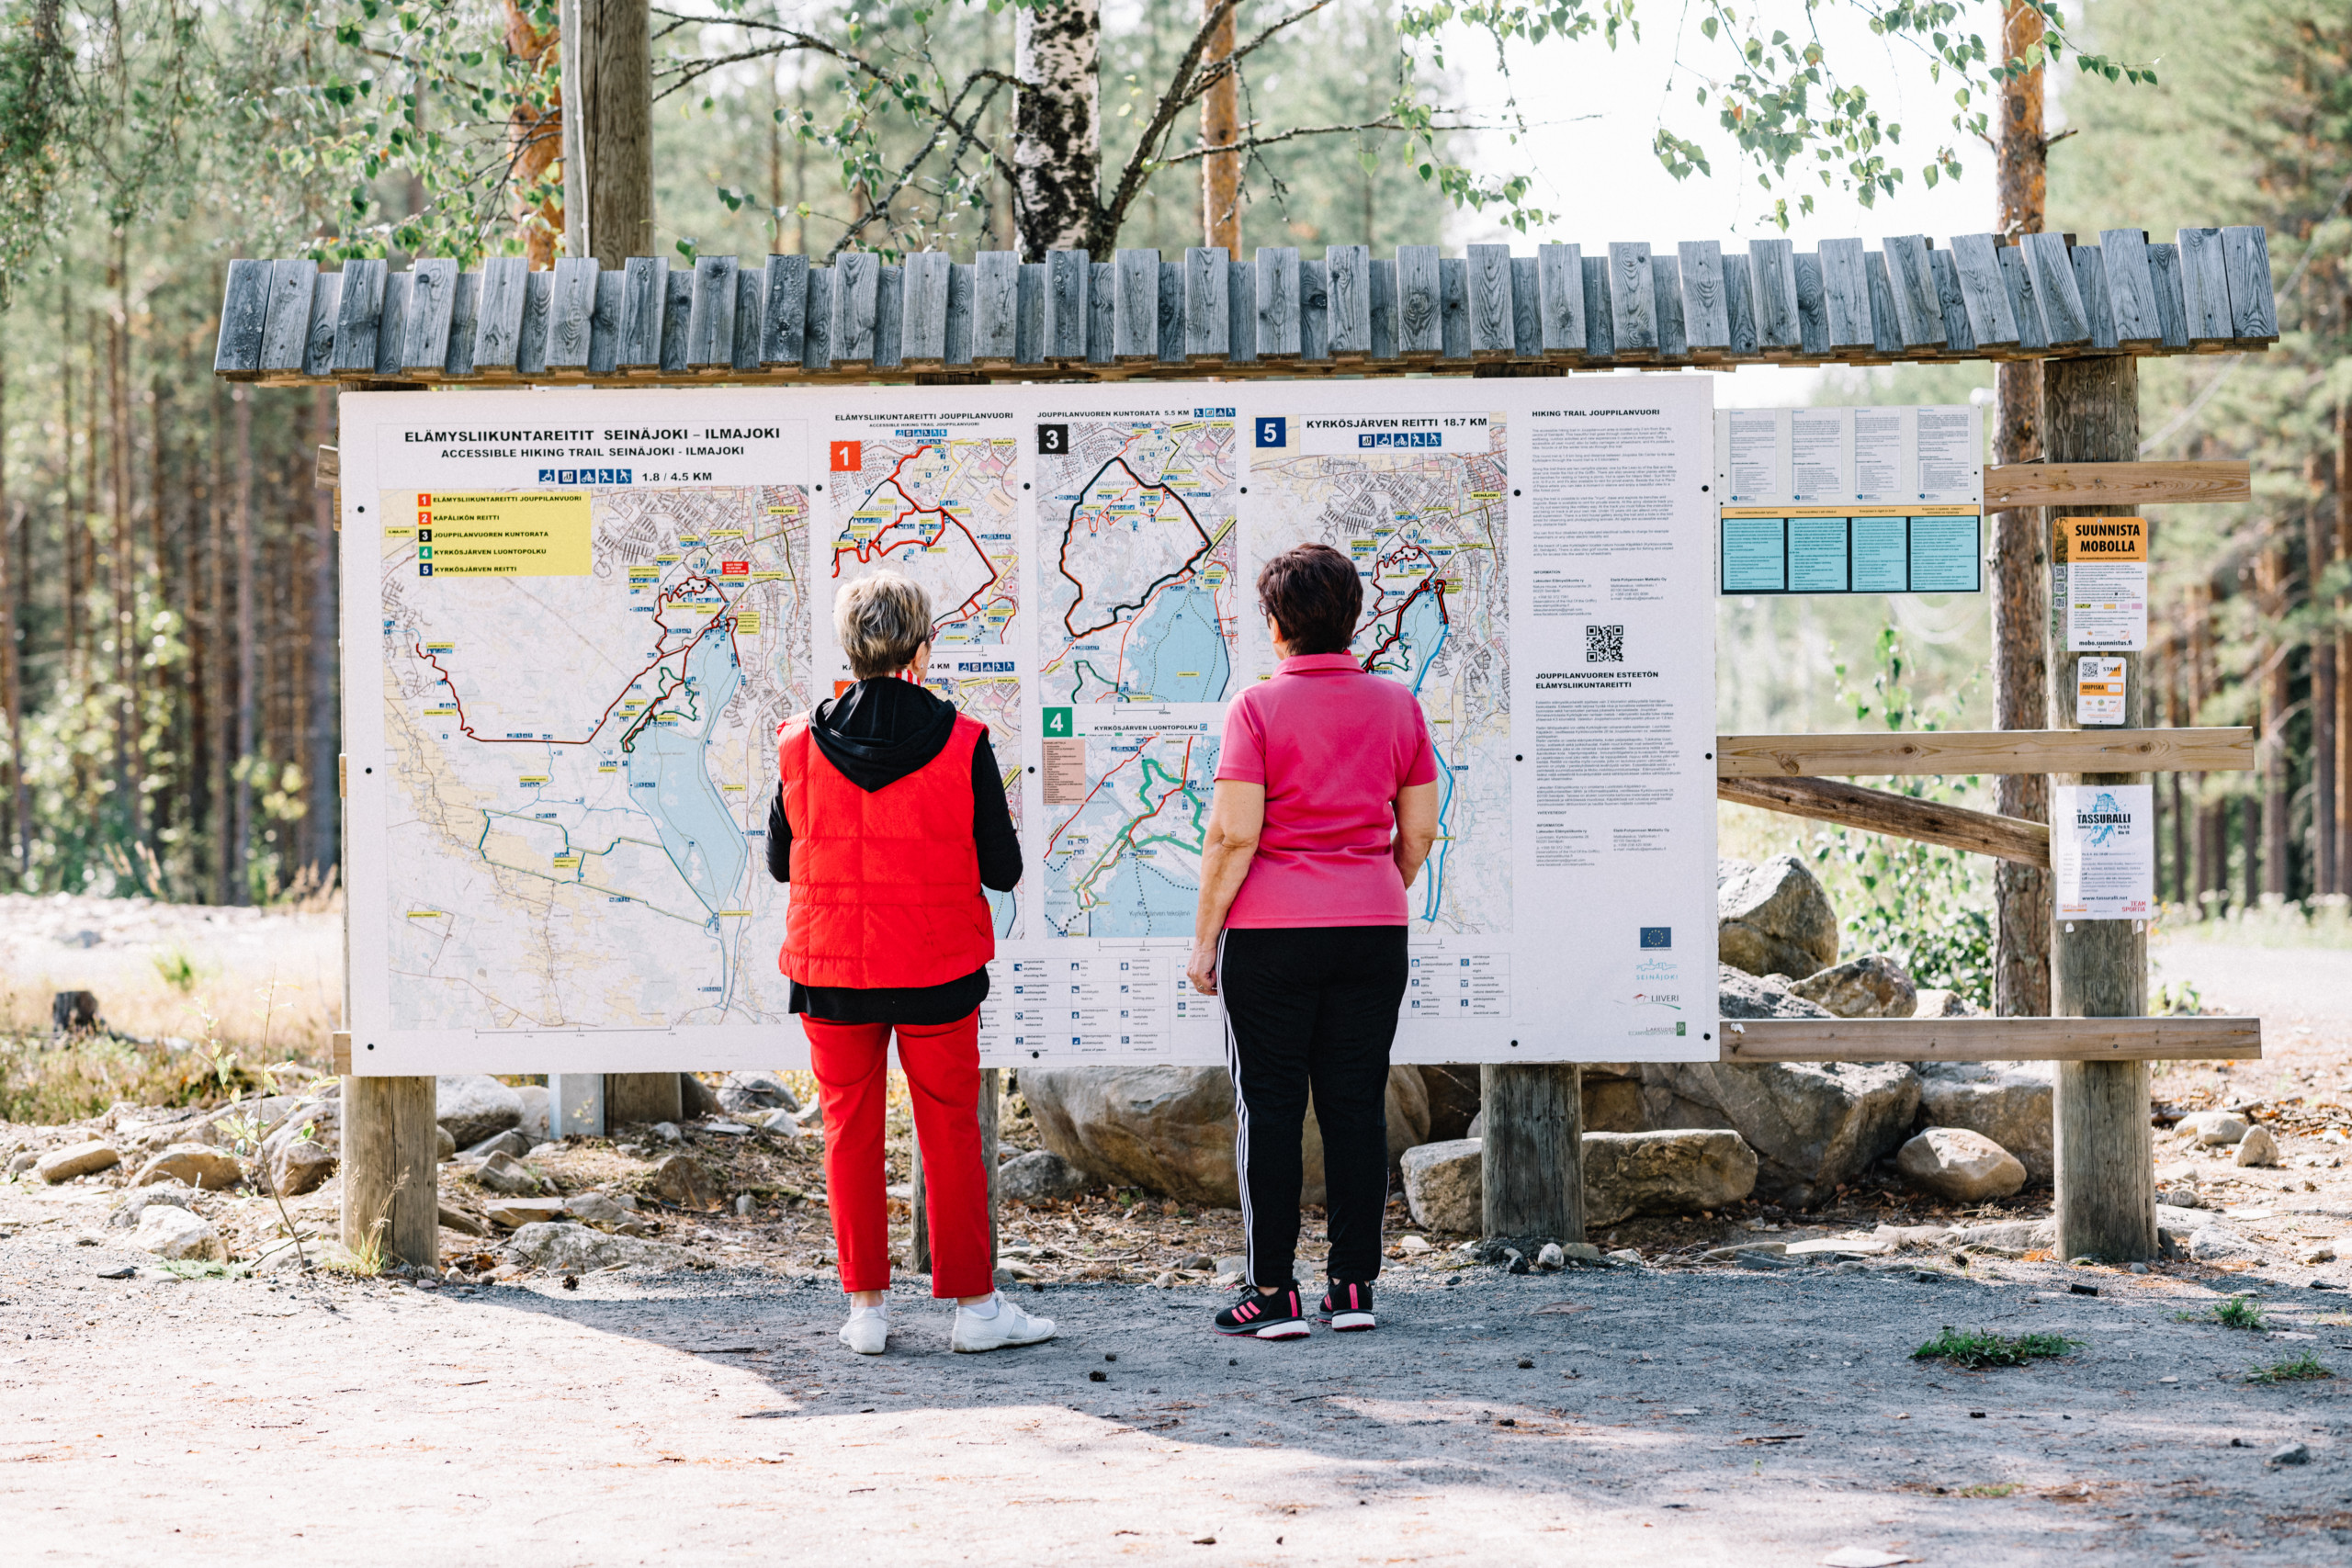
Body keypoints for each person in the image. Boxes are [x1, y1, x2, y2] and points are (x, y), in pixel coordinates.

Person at [770, 570, 1053, 1357]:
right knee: (950, 1130)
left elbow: (779, 861)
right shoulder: (964, 742)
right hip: (937, 970)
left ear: (849, 649)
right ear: (924, 648)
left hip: (831, 972)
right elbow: (1003, 870)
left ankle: (866, 1309)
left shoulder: (798, 742)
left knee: (848, 1130)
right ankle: (975, 1307)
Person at [1186, 542, 1441, 1339]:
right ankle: (1353, 1287)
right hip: (1371, 930)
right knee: (1355, 1105)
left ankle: (1272, 1292)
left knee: (1268, 1108)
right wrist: (1371, 883)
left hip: (1271, 938)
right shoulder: (1398, 706)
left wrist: (1203, 943)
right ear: (1353, 618)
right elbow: (1421, 829)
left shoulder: (1256, 710)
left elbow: (1233, 837)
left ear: (1274, 625)